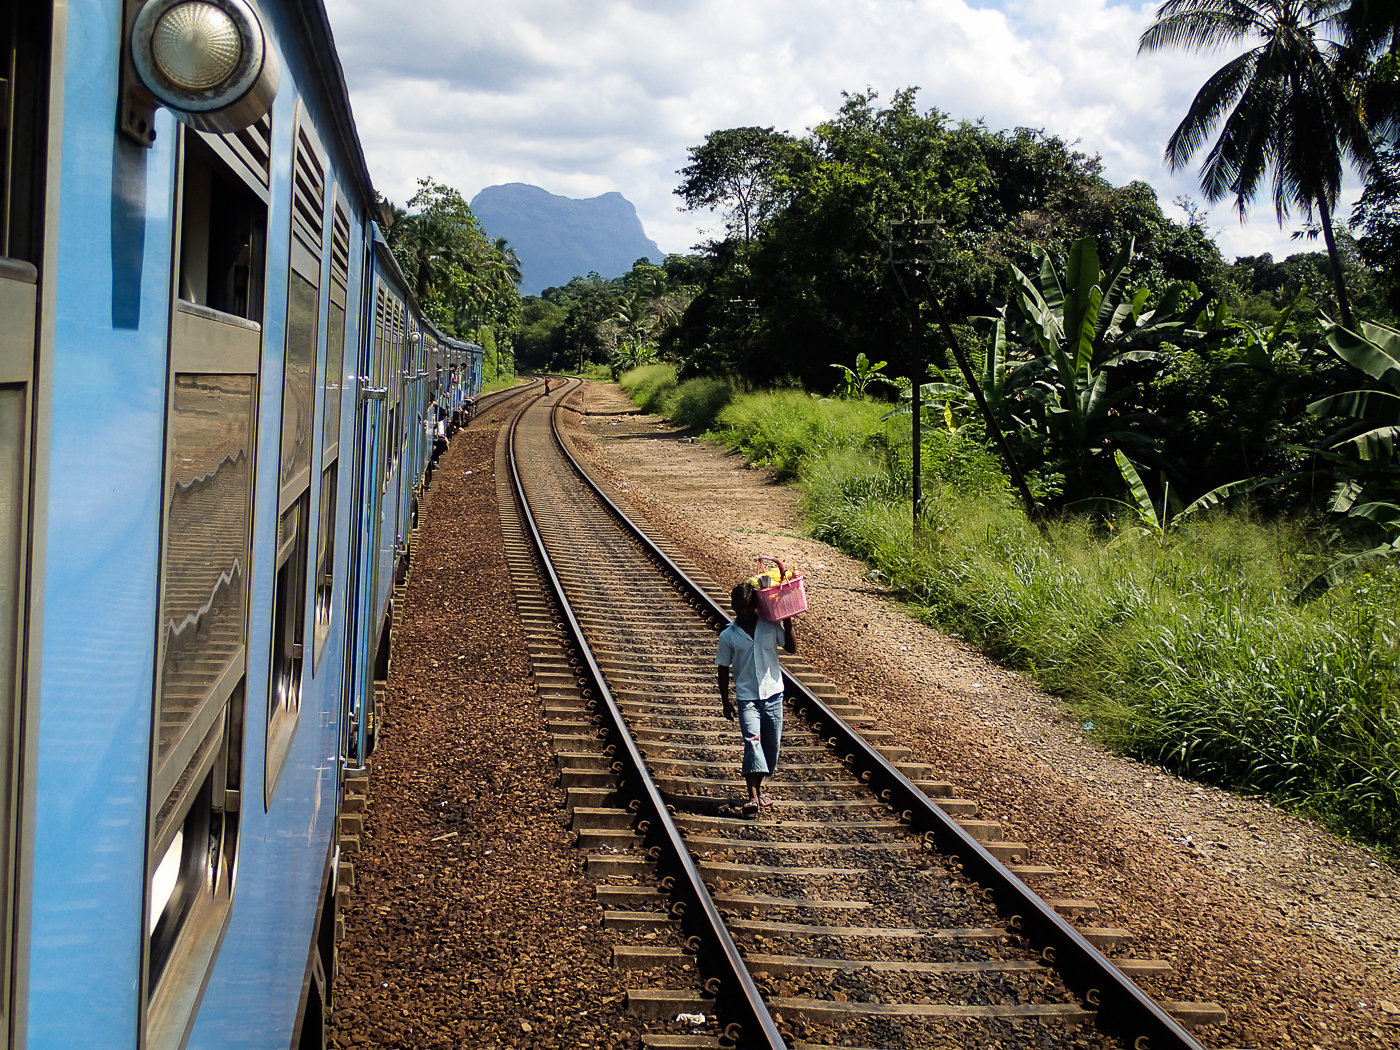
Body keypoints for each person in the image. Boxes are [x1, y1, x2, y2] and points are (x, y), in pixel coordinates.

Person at [715, 580, 797, 814]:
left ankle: (759, 790)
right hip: (747, 698)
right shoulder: (728, 636)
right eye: (739, 607)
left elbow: (791, 648)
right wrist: (725, 701)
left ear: (756, 606)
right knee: (752, 741)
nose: (744, 612)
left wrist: (787, 618)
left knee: (771, 746)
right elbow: (722, 667)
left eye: (748, 607)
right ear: (733, 606)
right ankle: (752, 797)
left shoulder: (770, 626)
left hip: (772, 694)